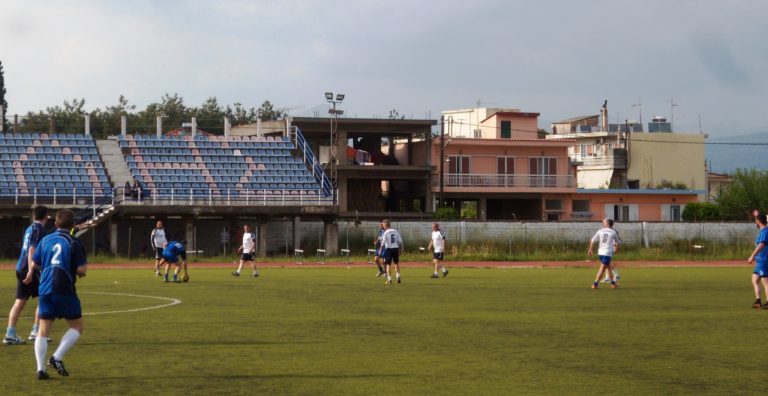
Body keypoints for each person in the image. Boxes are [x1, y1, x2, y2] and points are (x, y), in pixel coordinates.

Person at [25, 209, 87, 380]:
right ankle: (57, 357)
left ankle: (40, 370)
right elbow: (82, 269)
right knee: (77, 327)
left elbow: (35, 263)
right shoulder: (73, 242)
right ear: (72, 225)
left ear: (55, 223)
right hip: (65, 288)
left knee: (43, 331)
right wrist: (77, 272)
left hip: (45, 289)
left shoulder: (45, 240)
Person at [4, 206, 48, 345]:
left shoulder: (30, 228)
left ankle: (10, 334)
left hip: (20, 266)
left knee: (20, 301)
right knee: (45, 297)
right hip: (29, 268)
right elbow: (31, 250)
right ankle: (36, 331)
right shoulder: (38, 229)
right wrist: (31, 270)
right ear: (46, 216)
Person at [587, 218, 621, 289]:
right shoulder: (613, 232)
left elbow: (592, 240)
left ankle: (613, 284)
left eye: (604, 223)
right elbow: (618, 242)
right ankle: (595, 284)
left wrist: (590, 249)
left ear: (607, 224)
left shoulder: (600, 231)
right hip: (607, 252)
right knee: (602, 269)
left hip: (600, 252)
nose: (603, 224)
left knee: (608, 268)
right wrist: (616, 247)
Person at [748, 214, 768, 308]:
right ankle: (758, 301)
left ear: (759, 221)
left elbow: (762, 244)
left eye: (756, 220)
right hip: (760, 261)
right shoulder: (761, 231)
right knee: (755, 280)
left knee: (766, 282)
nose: (755, 222)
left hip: (764, 260)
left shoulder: (765, 231)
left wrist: (752, 255)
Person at [381, 219, 404, 285]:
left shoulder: (386, 232)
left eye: (383, 225)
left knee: (388, 264)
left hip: (389, 249)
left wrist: (380, 250)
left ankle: (389, 279)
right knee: (396, 263)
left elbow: (383, 243)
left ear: (385, 225)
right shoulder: (395, 231)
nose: (383, 226)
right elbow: (400, 241)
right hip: (395, 249)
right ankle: (398, 276)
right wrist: (401, 249)